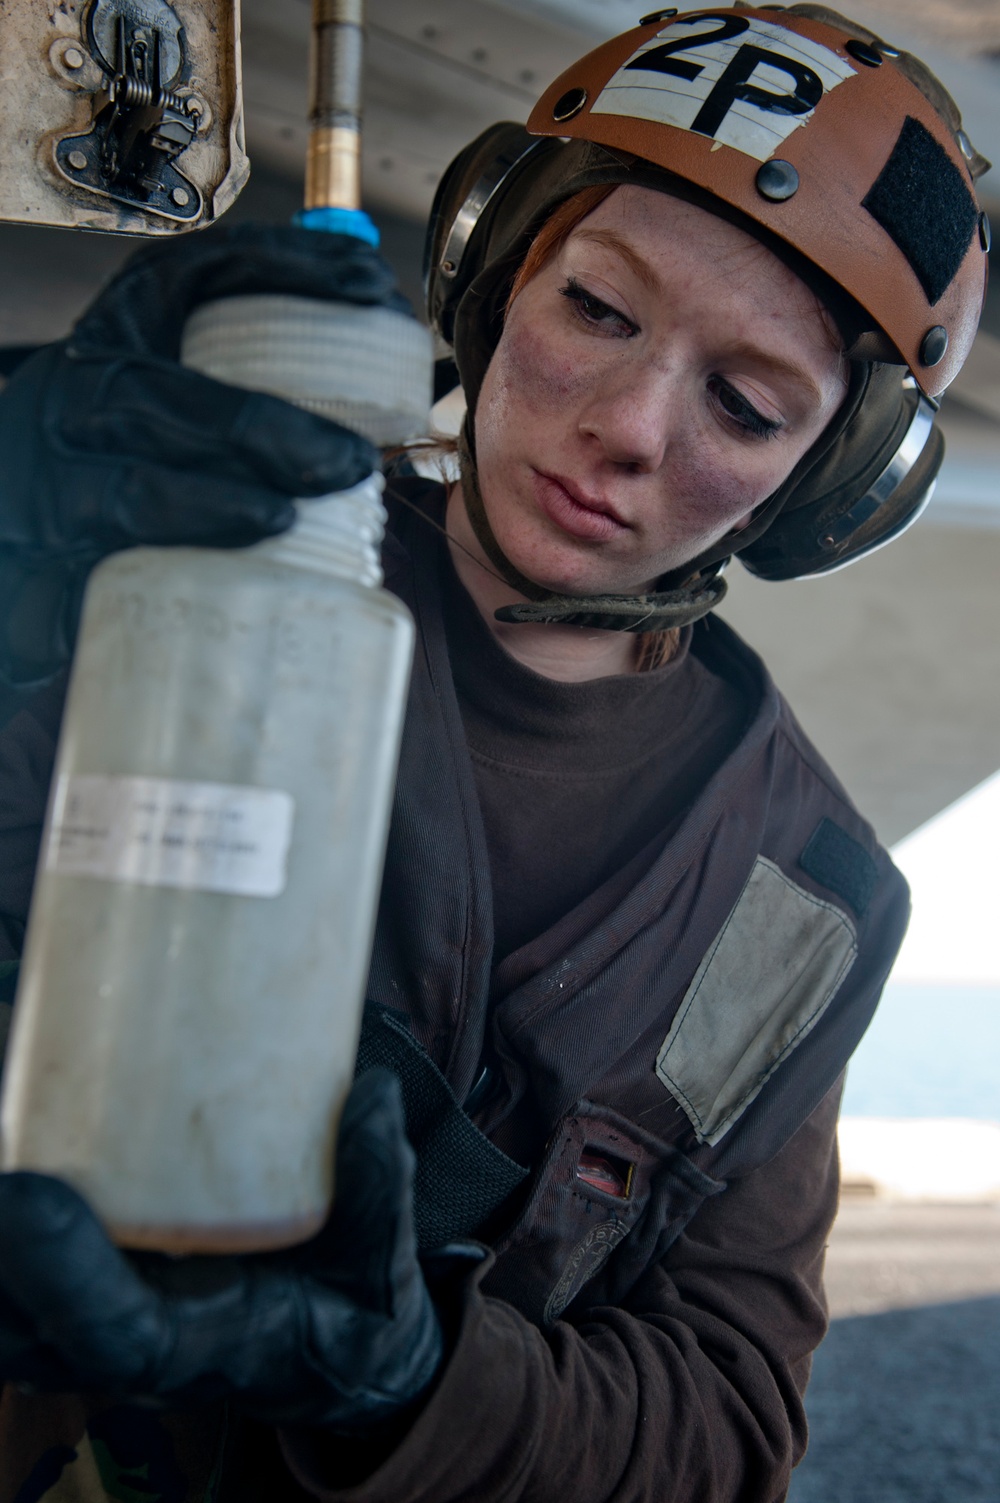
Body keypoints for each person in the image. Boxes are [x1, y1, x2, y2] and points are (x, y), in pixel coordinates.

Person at [0, 5, 989, 1500]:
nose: (628, 426)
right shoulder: (161, 547)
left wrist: (407, 1387)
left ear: (825, 483)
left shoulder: (806, 900)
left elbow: (724, 1423)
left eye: (743, 403)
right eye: (598, 307)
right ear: (500, 263)